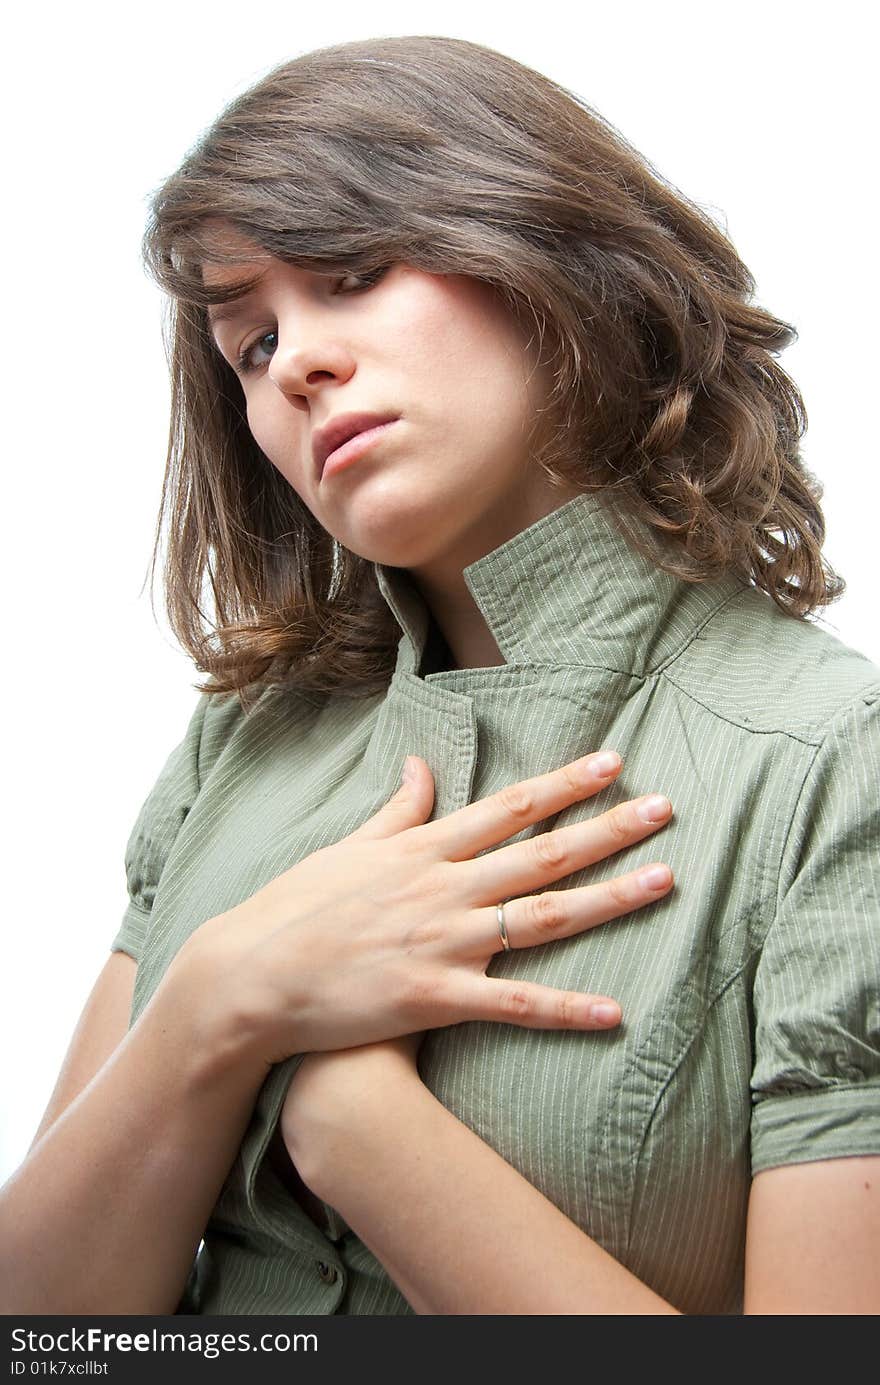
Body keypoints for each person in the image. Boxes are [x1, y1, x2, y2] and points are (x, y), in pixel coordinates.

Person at [2, 34, 878, 1317]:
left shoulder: (828, 762)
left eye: (352, 274)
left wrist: (355, 1123)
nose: (294, 359)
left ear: (549, 255)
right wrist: (218, 1004)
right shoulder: (238, 748)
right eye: (248, 344)